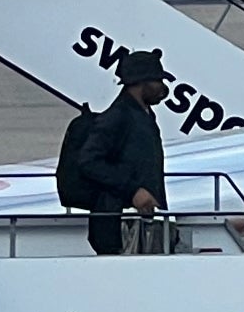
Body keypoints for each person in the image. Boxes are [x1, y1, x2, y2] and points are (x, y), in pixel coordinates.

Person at [59, 49, 170, 255]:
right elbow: (89, 161)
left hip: (139, 224)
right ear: (139, 83)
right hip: (120, 225)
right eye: (157, 81)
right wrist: (133, 190)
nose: (163, 88)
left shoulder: (143, 117)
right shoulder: (118, 117)